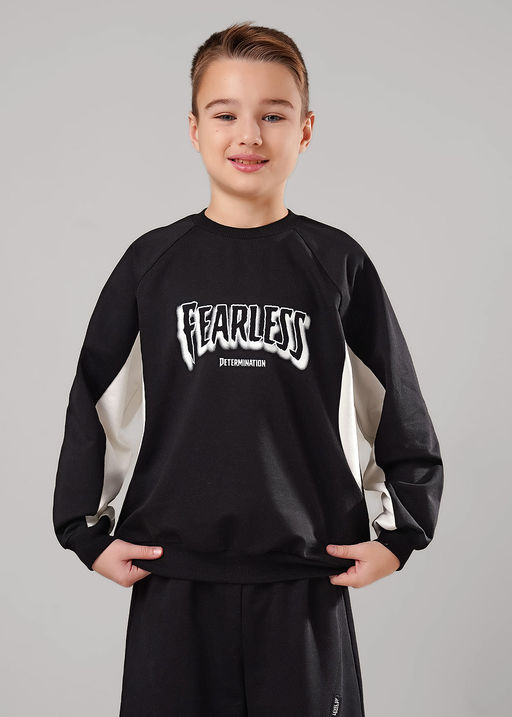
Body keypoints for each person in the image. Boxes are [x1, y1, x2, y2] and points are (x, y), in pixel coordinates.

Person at [52, 20, 444, 717]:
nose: (249, 135)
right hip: (174, 578)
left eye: (274, 115)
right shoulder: (152, 264)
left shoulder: (336, 263)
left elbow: (397, 405)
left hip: (305, 579)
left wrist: (400, 534)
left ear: (307, 129)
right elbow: (97, 399)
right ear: (194, 128)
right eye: (225, 114)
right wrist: (86, 531)